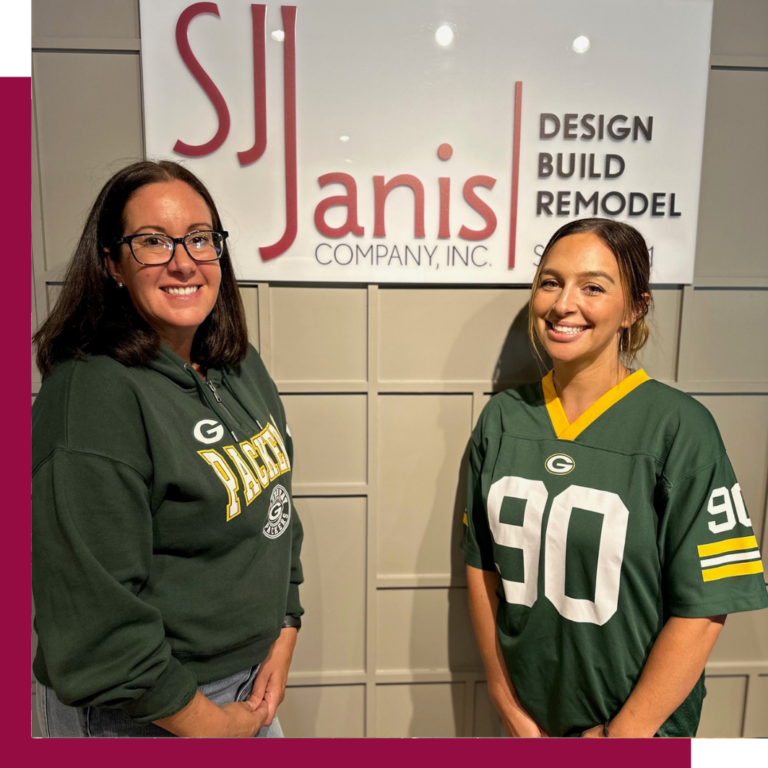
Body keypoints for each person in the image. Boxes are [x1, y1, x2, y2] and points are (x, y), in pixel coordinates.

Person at [462, 218, 768, 738]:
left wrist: (620, 738)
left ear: (635, 308)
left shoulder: (680, 428)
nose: (563, 304)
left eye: (593, 287)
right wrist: (505, 699)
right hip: (529, 729)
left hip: (637, 735)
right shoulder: (502, 419)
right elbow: (480, 566)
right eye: (551, 281)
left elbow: (705, 607)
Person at [32, 160, 304, 738]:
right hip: (150, 710)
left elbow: (276, 508)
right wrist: (212, 726)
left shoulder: (238, 365)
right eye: (153, 241)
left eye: (200, 239)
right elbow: (94, 616)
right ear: (112, 263)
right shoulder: (91, 396)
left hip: (248, 687)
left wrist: (284, 628)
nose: (183, 261)